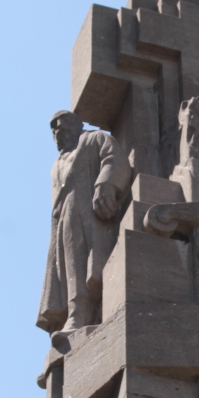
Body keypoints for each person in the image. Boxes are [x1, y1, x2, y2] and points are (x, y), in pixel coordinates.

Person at [37, 110, 131, 336]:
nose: (57, 130)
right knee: (67, 270)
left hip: (88, 214)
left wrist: (105, 185)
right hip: (63, 222)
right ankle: (74, 313)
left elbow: (114, 157)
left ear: (76, 124)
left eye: (61, 124)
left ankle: (80, 315)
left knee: (84, 266)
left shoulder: (93, 139)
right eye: (53, 127)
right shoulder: (56, 164)